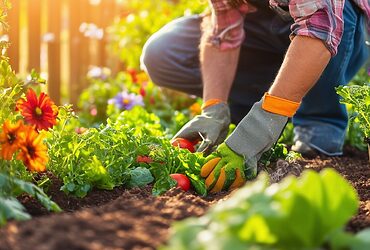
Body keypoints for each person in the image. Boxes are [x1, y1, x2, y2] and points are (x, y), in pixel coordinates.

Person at [141, 0, 370, 193]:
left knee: (341, 13)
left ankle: (318, 118)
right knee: (163, 53)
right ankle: (279, 95)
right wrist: (213, 107)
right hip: (263, 29)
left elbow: (320, 29)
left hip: (333, 28)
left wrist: (261, 126)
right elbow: (223, 32)